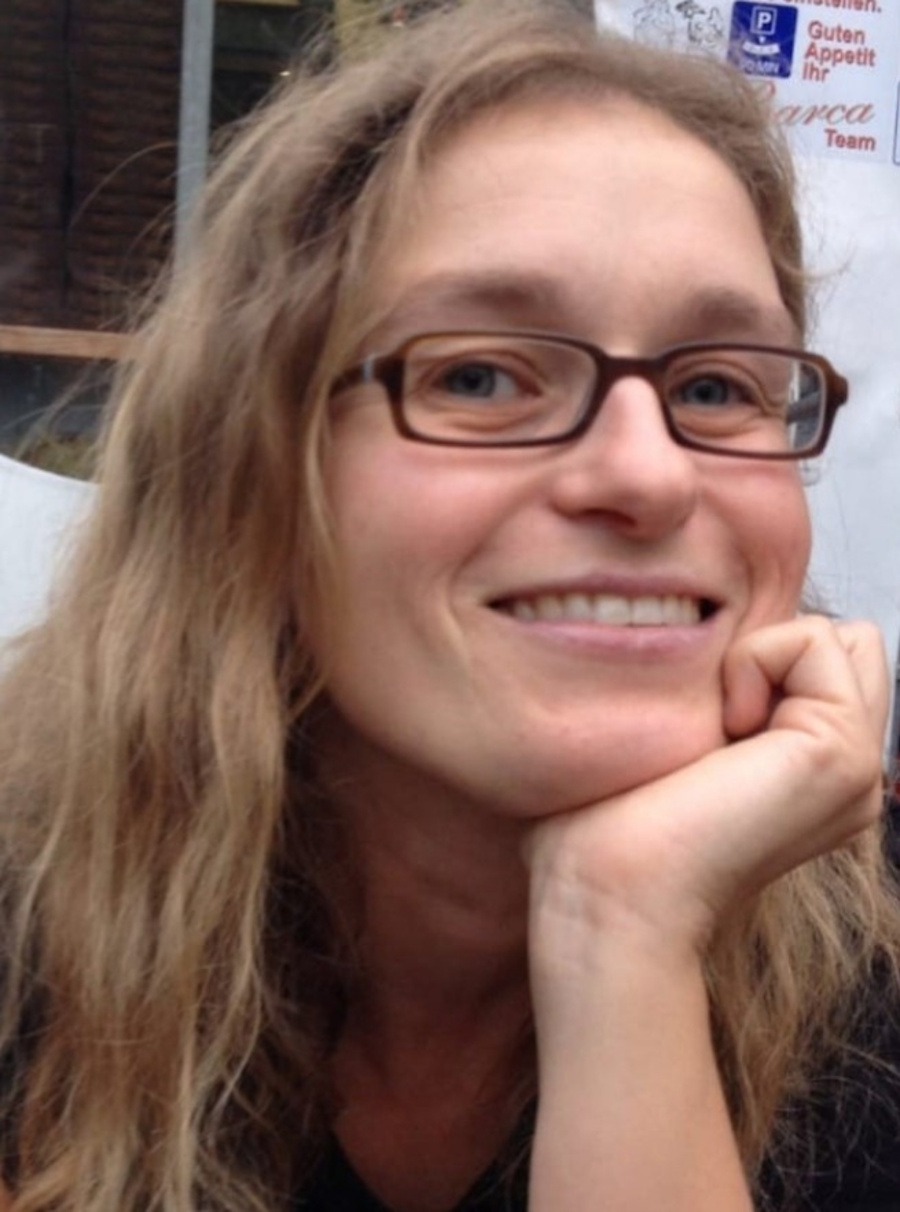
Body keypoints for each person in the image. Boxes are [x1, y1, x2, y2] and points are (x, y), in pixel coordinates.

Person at [0, 3, 898, 1210]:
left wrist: (624, 928)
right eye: (480, 375)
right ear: (253, 468)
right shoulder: (26, 921)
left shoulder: (877, 987)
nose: (648, 474)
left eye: (716, 387)